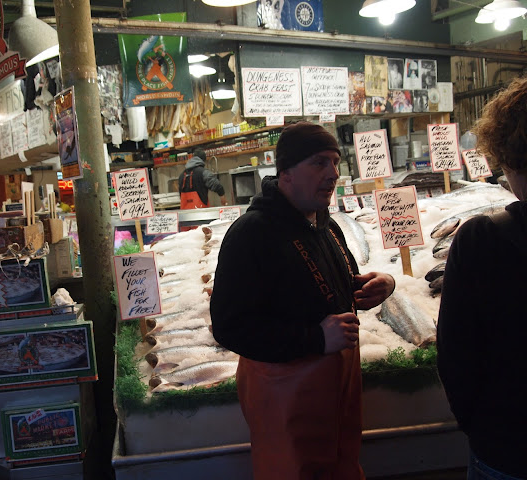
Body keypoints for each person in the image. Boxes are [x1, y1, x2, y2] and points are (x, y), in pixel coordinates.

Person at [210, 121, 396, 480]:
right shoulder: (251, 233)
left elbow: (337, 290)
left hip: (338, 390)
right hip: (285, 397)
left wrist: (377, 287)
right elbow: (230, 327)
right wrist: (315, 338)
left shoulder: (327, 225)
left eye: (336, 162)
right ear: (286, 172)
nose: (333, 173)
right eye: (319, 162)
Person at [437, 77, 527, 480]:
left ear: (507, 155)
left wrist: (482, 428)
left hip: (509, 446)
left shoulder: (481, 239)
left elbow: (456, 354)